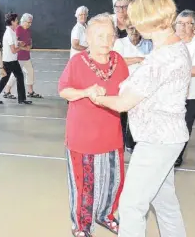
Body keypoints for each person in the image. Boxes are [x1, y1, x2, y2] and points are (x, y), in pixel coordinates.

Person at [91, 0, 190, 237]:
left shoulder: (162, 58)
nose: (131, 23)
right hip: (169, 137)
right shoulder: (174, 46)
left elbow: (124, 102)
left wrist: (94, 96)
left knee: (131, 206)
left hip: (157, 140)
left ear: (147, 20)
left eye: (135, 18)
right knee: (164, 202)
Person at [58, 13, 129, 237]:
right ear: (88, 37)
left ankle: (106, 214)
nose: (106, 40)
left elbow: (126, 92)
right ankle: (81, 225)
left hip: (111, 133)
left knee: (113, 181)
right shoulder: (77, 61)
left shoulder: (119, 61)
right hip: (83, 136)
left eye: (110, 35)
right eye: (100, 35)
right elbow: (64, 91)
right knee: (84, 186)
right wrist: (86, 92)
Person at [113, 18, 153, 152]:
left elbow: (152, 62)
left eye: (136, 28)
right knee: (121, 118)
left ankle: (131, 143)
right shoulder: (120, 43)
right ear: (125, 29)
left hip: (142, 87)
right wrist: (139, 59)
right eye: (130, 28)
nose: (134, 31)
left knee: (137, 117)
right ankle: (120, 144)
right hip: (123, 87)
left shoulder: (148, 44)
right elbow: (117, 61)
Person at [0, 12, 32, 105]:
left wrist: (19, 43)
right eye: (16, 21)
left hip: (13, 60)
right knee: (5, 80)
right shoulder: (9, 33)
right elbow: (14, 50)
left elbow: (14, 44)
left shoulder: (12, 32)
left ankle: (22, 99)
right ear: (12, 22)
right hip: (8, 61)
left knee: (19, 77)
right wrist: (24, 48)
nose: (18, 22)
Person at [4, 13, 42, 99]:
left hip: (26, 57)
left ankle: (30, 91)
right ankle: (6, 91)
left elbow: (29, 41)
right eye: (28, 22)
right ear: (23, 21)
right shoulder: (18, 29)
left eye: (30, 23)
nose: (29, 24)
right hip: (19, 57)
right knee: (15, 75)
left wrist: (30, 46)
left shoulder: (28, 30)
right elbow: (15, 43)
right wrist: (24, 47)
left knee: (30, 72)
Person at [175, 9, 195, 167]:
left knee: (186, 125)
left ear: (193, 26)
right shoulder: (172, 42)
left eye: (185, 24)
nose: (181, 27)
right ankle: (177, 156)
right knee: (178, 126)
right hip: (174, 94)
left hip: (192, 94)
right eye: (179, 23)